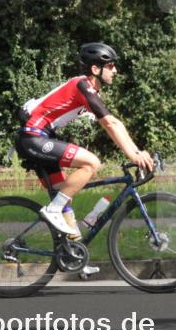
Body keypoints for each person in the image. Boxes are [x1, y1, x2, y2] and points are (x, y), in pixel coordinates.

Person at [16, 42, 154, 242]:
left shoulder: (90, 91)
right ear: (95, 69)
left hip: (39, 137)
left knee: (65, 199)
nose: (115, 70)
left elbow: (116, 123)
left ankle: (74, 255)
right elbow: (110, 124)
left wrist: (137, 152)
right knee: (92, 163)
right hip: (33, 136)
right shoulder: (82, 85)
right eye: (110, 66)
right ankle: (52, 210)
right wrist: (134, 155)